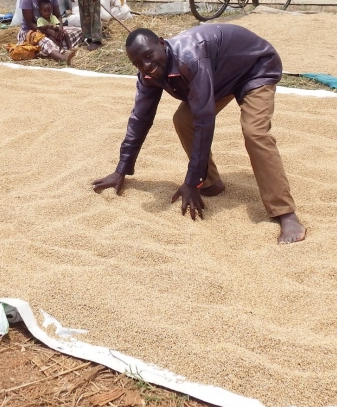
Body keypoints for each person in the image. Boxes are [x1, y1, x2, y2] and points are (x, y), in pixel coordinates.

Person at [92, 25, 306, 245]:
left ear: (162, 43)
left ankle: (286, 214)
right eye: (138, 63)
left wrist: (192, 182)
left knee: (255, 132)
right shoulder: (148, 74)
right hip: (219, 76)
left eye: (148, 56)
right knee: (183, 120)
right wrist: (122, 169)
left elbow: (205, 120)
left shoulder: (190, 57)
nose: (146, 66)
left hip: (254, 67)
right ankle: (211, 182)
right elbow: (140, 118)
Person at [18, 0, 82, 65]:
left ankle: (61, 49)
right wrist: (49, 32)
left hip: (51, 28)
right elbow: (29, 23)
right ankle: (63, 58)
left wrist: (60, 29)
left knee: (78, 31)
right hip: (32, 30)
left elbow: (58, 16)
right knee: (43, 40)